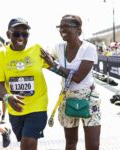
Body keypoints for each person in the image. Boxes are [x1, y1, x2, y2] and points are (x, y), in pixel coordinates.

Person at [41, 14, 101, 150]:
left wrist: (55, 65)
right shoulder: (58, 47)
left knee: (93, 145)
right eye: (60, 26)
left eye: (66, 26)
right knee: (70, 143)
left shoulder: (89, 48)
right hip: (67, 97)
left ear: (78, 30)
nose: (62, 29)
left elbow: (78, 77)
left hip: (89, 98)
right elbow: (45, 60)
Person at [0, 18, 49, 150]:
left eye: (25, 34)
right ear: (8, 35)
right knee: (25, 141)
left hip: (38, 106)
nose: (21, 37)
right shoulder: (1, 54)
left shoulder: (37, 49)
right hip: (15, 108)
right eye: (16, 34)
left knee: (28, 143)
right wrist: (7, 97)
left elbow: (54, 65)